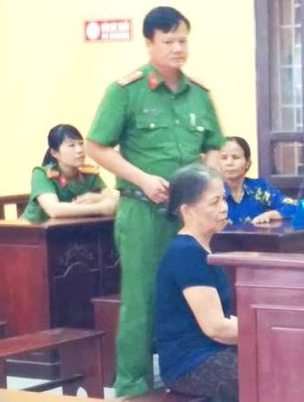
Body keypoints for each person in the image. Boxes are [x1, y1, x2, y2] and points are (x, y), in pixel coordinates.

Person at [85, 6, 225, 398]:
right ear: (149, 44)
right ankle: (133, 386)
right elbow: (96, 146)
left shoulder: (199, 95)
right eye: (169, 41)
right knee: (141, 299)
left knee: (197, 291)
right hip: (143, 212)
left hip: (189, 216)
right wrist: (143, 179)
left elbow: (214, 146)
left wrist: (206, 184)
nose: (178, 48)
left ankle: (192, 373)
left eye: (183, 40)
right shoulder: (126, 91)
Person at [156, 164, 238, 402]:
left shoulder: (201, 249)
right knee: (268, 374)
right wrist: (263, 333)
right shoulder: (186, 252)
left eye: (224, 199)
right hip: (190, 364)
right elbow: (215, 328)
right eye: (214, 202)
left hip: (213, 352)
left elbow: (224, 319)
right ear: (187, 210)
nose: (224, 208)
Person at [21, 124, 116, 223]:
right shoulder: (42, 174)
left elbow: (113, 200)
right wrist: (100, 208)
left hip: (69, 228)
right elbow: (54, 210)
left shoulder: (89, 174)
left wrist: (98, 198)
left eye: (81, 144)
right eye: (71, 145)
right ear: (54, 153)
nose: (80, 150)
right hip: (33, 230)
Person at [219, 136, 296, 225]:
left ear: (247, 163)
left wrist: (270, 215)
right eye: (224, 158)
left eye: (235, 157)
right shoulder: (211, 193)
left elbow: (293, 206)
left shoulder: (259, 189)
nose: (229, 163)